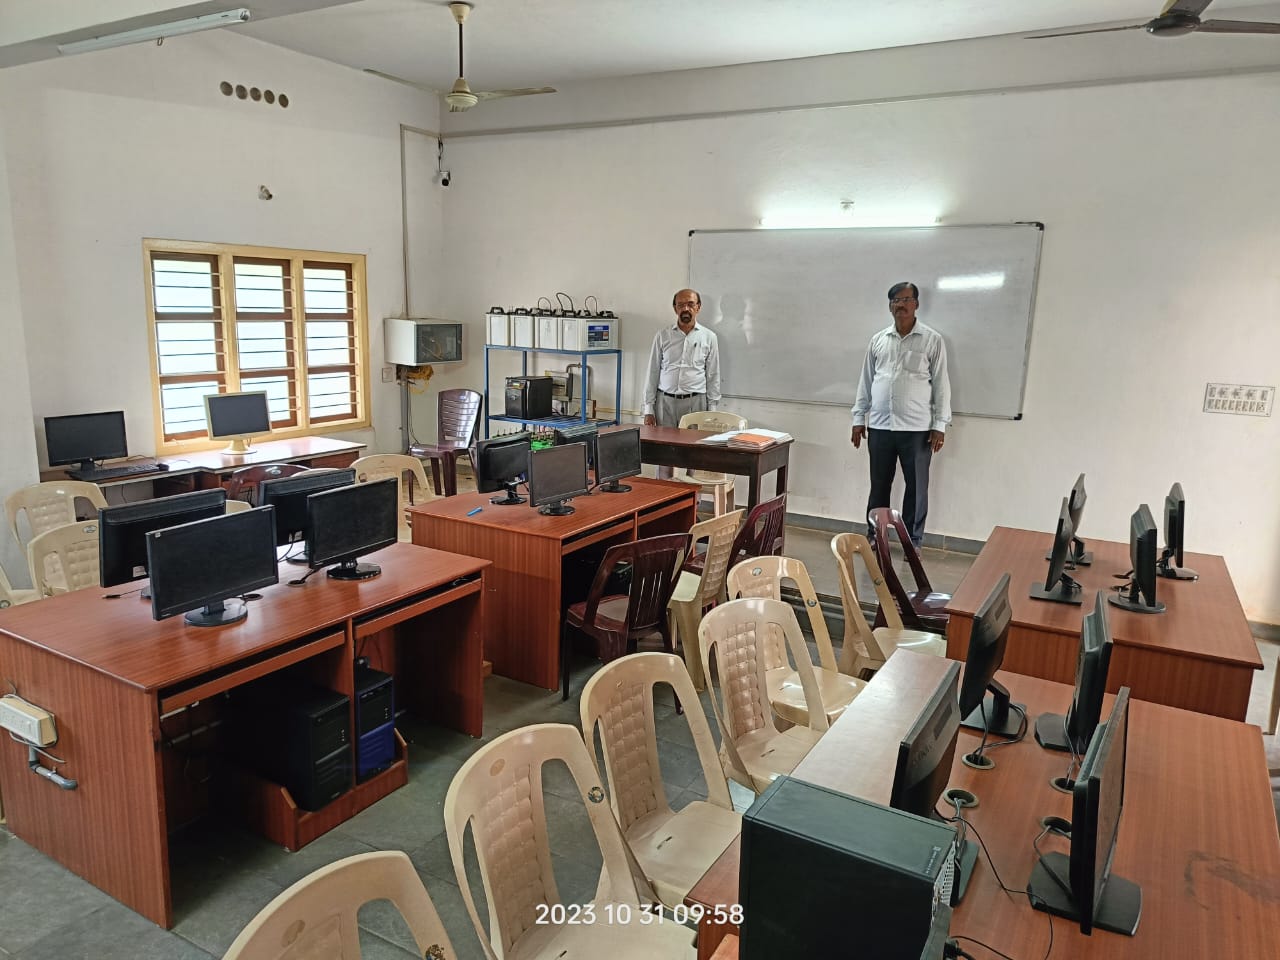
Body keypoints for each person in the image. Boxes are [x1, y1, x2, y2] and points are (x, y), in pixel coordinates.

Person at [850, 281, 951, 548]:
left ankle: (912, 542)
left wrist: (940, 424)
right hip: (880, 427)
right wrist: (859, 418)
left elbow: (941, 384)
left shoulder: (932, 340)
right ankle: (875, 536)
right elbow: (866, 381)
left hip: (917, 429)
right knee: (879, 485)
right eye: (895, 300)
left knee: (916, 488)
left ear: (916, 304)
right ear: (890, 306)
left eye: (906, 300)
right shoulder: (878, 340)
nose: (901, 305)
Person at [643, 288, 721, 478]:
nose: (686, 309)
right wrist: (648, 409)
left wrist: (712, 412)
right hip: (665, 403)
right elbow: (652, 372)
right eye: (681, 305)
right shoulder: (663, 336)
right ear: (675, 308)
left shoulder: (709, 337)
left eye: (690, 304)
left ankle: (692, 495)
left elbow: (713, 375)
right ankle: (664, 494)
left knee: (694, 454)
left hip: (696, 403)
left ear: (698, 307)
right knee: (664, 455)